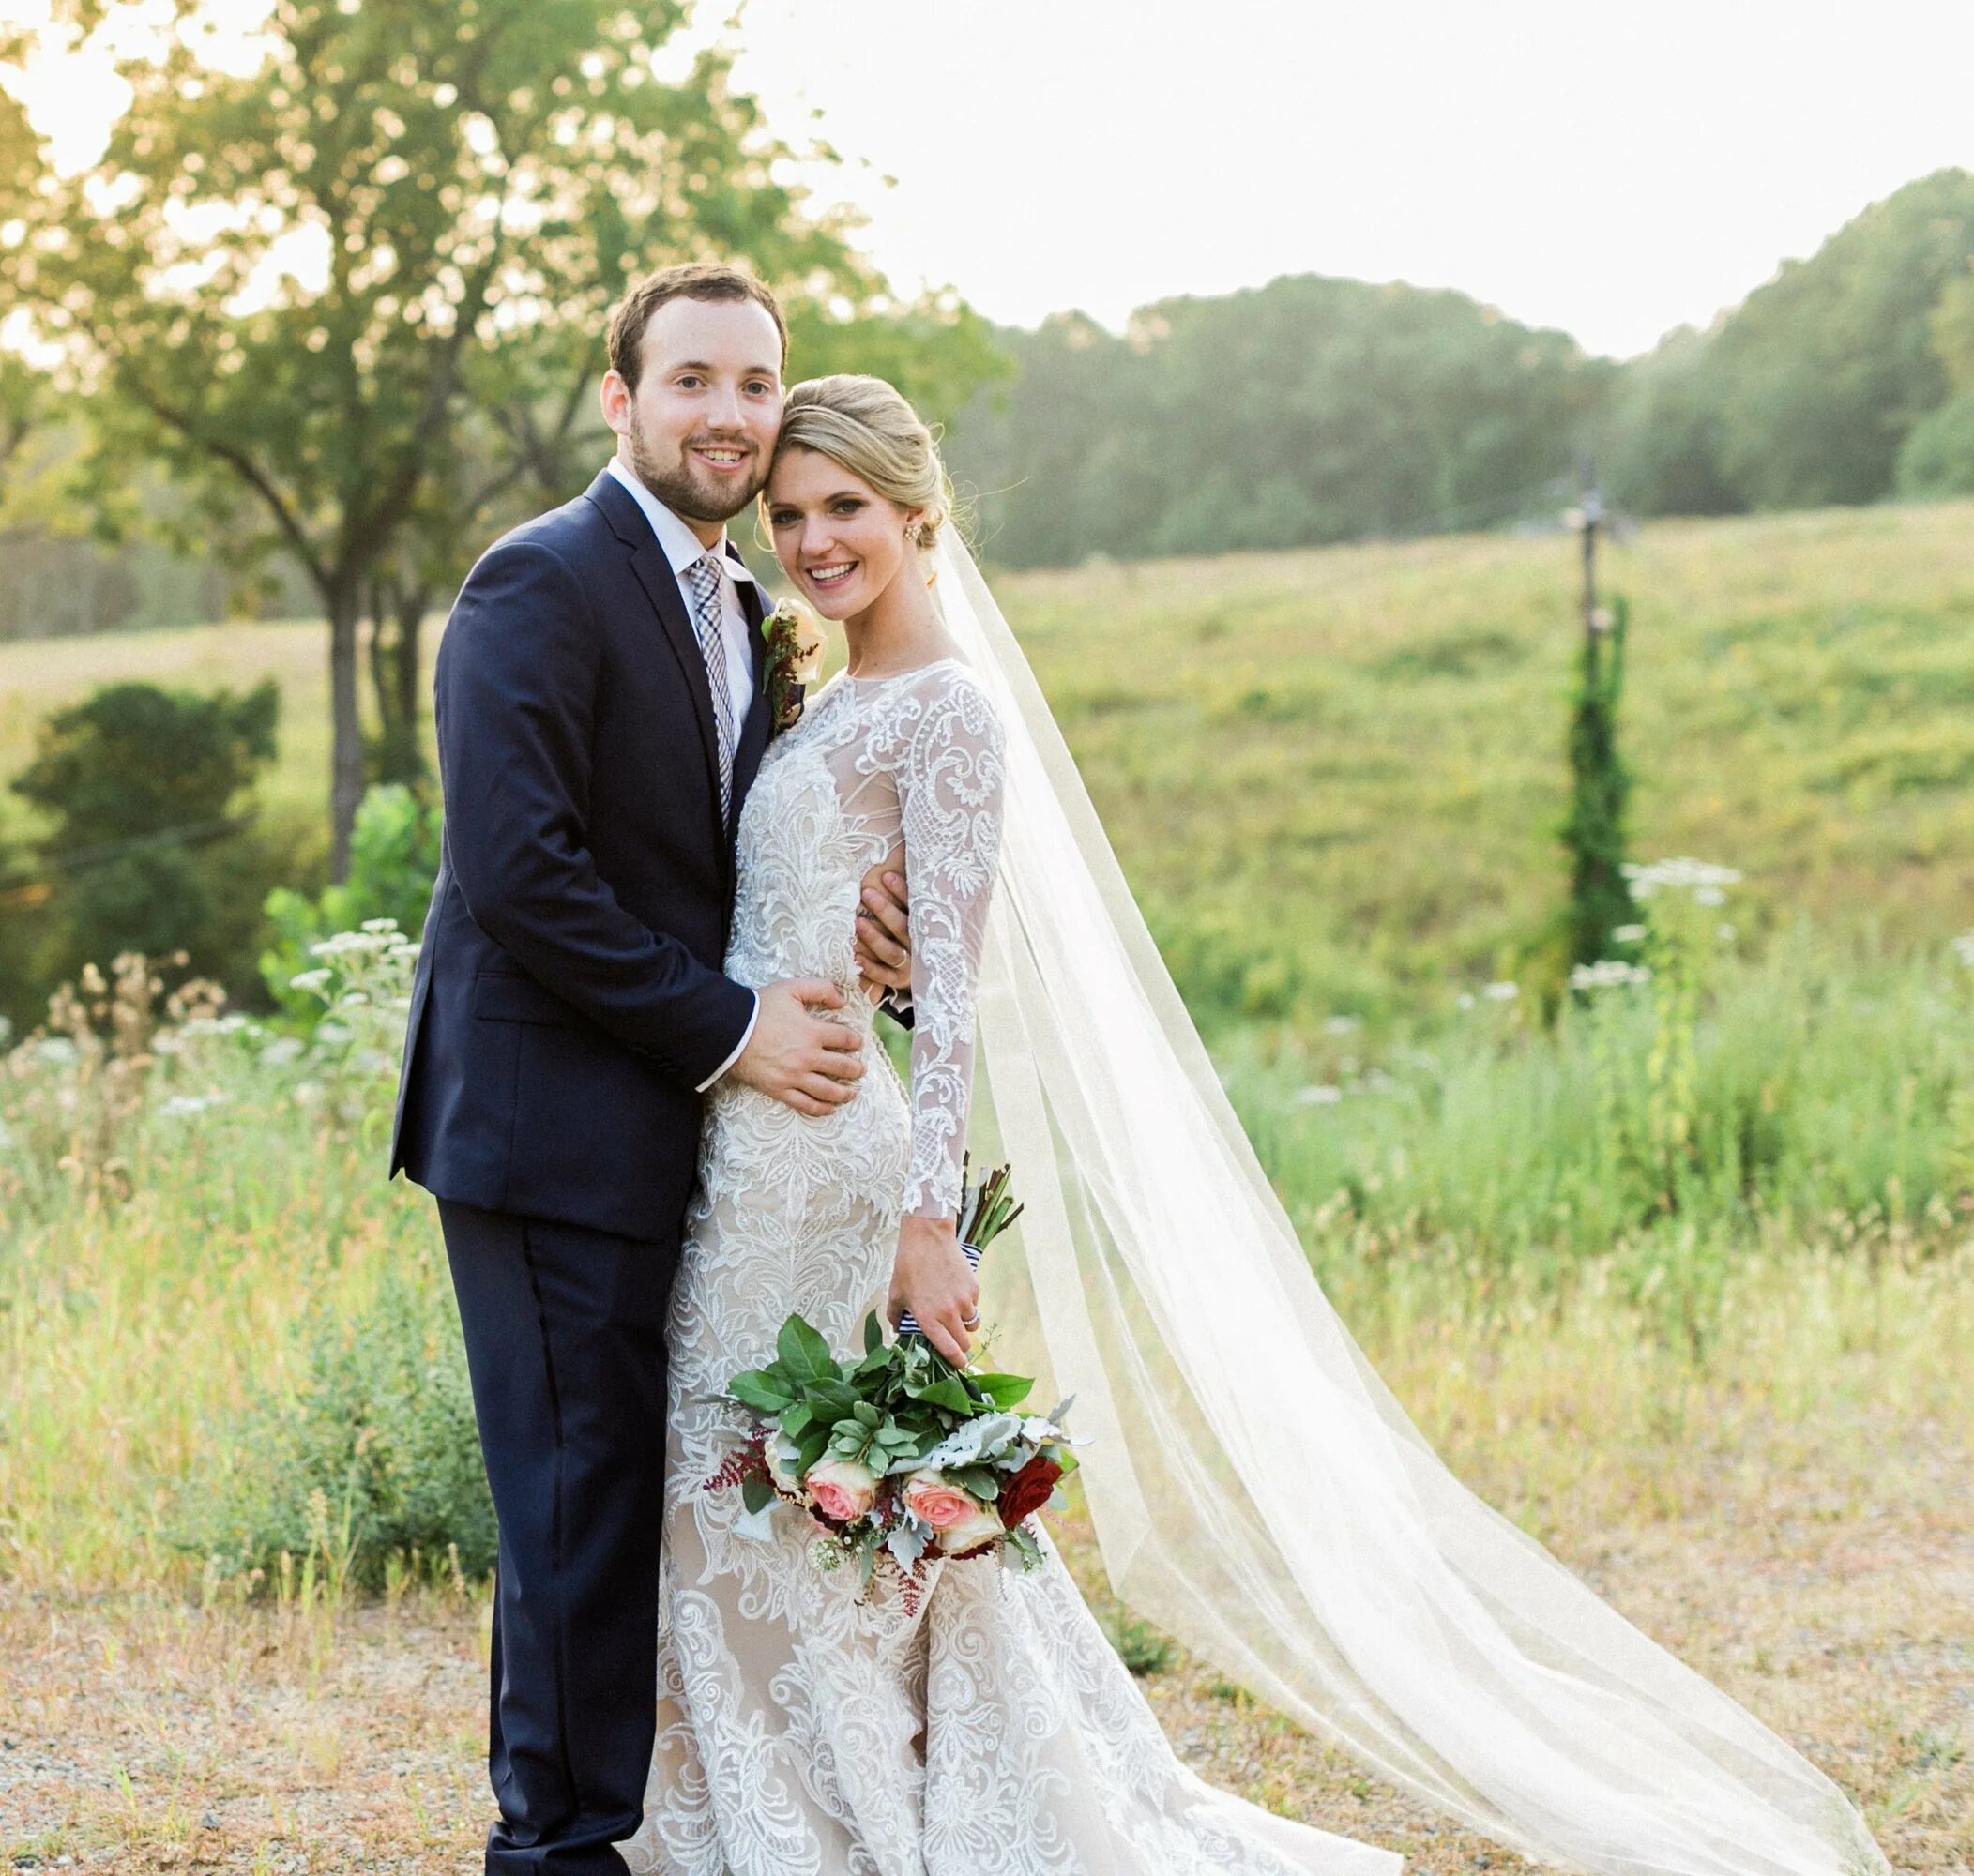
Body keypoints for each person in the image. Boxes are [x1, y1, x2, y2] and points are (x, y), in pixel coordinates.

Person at [631, 372, 1890, 1876]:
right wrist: (855, 946)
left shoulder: (953, 710)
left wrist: (924, 1219)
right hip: (745, 1143)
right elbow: (819, 925)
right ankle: (777, 1809)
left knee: (781, 1496)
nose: (816, 541)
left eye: (846, 509)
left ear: (918, 513)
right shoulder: (825, 700)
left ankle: (843, 1825)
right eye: (790, 515)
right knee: (743, 1496)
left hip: (833, 1174)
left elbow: (958, 999)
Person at [392, 263, 918, 1875]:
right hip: (545, 1126)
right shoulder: (535, 582)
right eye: (694, 381)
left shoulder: (740, 609)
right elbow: (520, 870)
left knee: (638, 1493)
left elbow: (722, 859)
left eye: (756, 386)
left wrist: (853, 925)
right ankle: (551, 1853)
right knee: (578, 1505)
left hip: (674, 1129)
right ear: (620, 397)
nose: (732, 415)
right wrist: (737, 1029)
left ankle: (623, 1828)